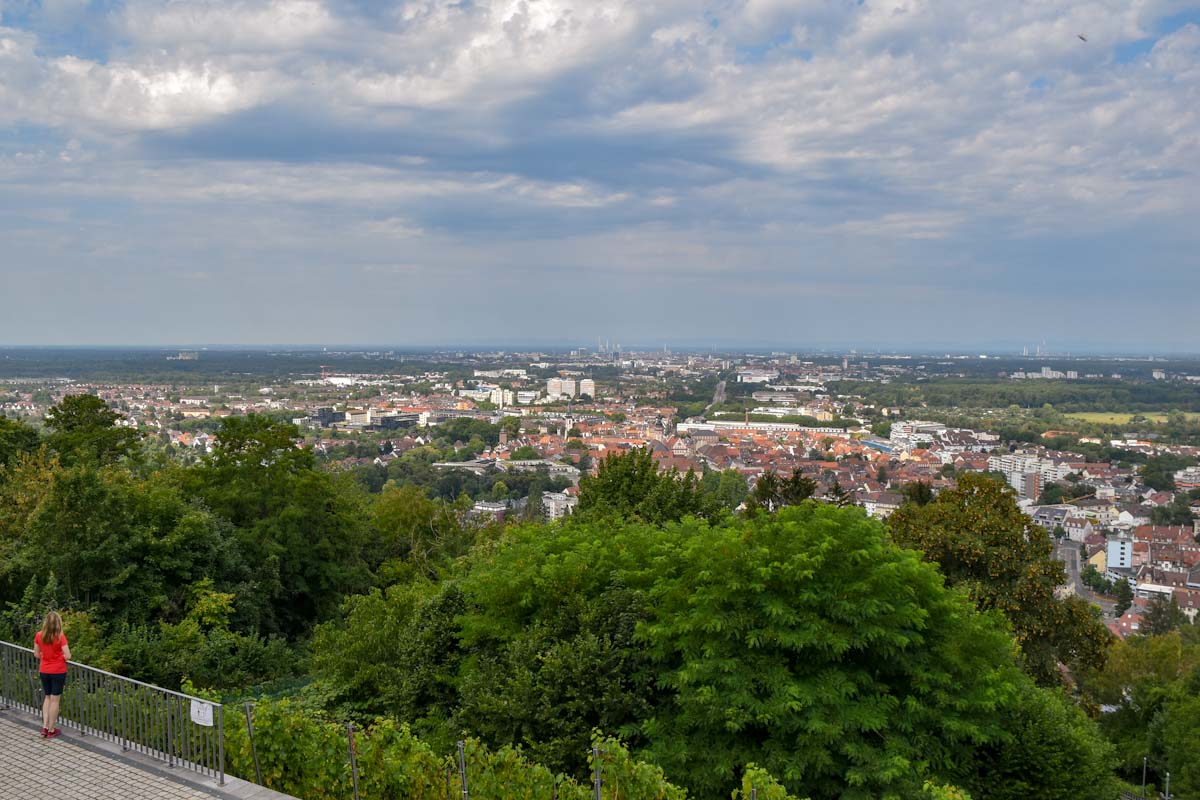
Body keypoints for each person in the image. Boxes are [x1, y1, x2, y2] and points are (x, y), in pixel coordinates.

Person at [33, 611, 70, 739]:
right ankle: (51, 729)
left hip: (44, 670)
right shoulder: (60, 637)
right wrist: (60, 657)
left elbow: (36, 654)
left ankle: (44, 727)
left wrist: (46, 656)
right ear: (58, 623)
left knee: (47, 697)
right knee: (55, 700)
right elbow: (68, 655)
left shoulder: (39, 635)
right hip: (58, 671)